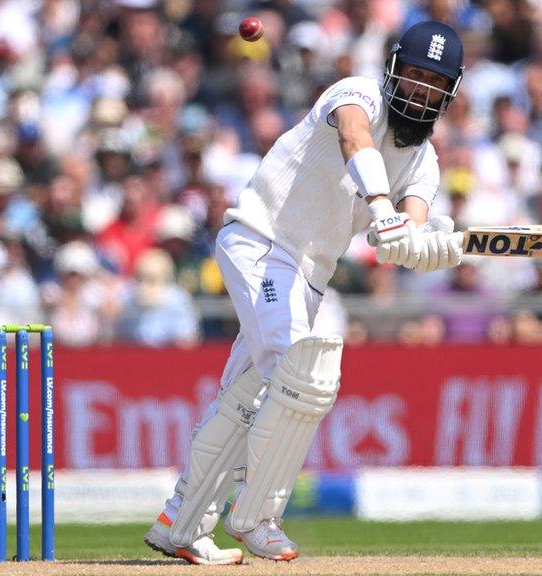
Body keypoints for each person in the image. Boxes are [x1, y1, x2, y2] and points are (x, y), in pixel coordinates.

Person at [142, 21, 466, 565]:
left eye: (433, 83)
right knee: (302, 375)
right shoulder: (356, 94)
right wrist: (385, 211)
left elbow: (401, 238)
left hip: (307, 278)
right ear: (392, 70)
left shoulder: (424, 160)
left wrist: (426, 246)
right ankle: (256, 518)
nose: (420, 91)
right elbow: (354, 139)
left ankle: (181, 522)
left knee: (247, 394)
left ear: (450, 91)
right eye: (412, 75)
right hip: (263, 242)